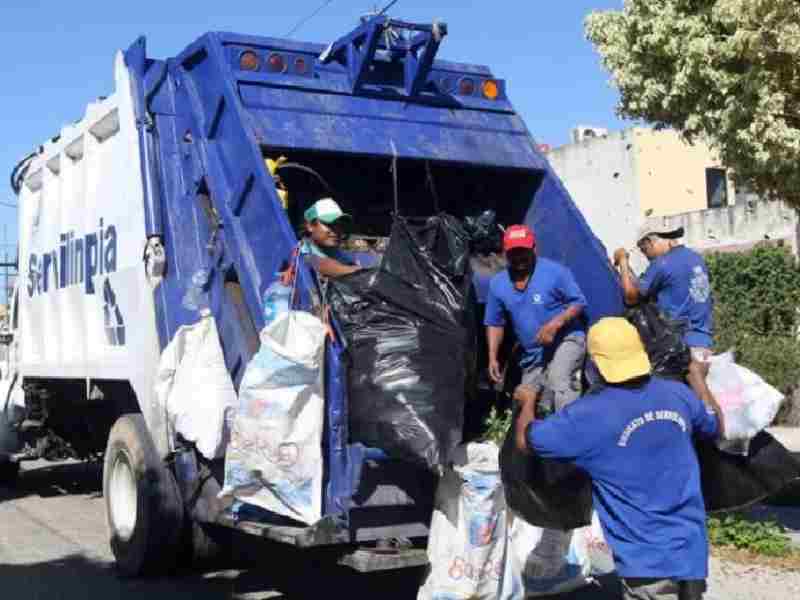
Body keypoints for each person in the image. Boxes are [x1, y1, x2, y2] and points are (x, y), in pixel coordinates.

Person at [515, 317, 724, 600]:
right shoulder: (677, 394)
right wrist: (697, 377)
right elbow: (716, 424)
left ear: (595, 365)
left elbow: (525, 441)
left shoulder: (588, 416)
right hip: (691, 550)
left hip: (647, 562)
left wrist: (528, 401)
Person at [612, 223, 716, 415]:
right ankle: (715, 428)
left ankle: (714, 427)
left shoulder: (662, 264)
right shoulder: (695, 258)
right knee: (700, 398)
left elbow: (631, 296)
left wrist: (623, 262)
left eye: (644, 250)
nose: (646, 256)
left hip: (680, 345)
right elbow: (644, 288)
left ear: (651, 241)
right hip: (703, 341)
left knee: (691, 403)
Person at [484, 224, 587, 412]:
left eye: (523, 251)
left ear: (534, 249)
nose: (519, 257)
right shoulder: (497, 284)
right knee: (525, 399)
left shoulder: (555, 272)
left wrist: (555, 324)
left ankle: (572, 427)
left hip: (567, 339)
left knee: (558, 379)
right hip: (533, 355)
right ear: (505, 253)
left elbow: (579, 303)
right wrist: (492, 357)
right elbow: (495, 323)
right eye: (514, 252)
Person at [299, 198, 361, 279]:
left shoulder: (334, 251)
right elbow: (317, 263)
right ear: (310, 226)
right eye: (329, 224)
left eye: (339, 225)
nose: (337, 230)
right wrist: (355, 270)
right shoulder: (303, 250)